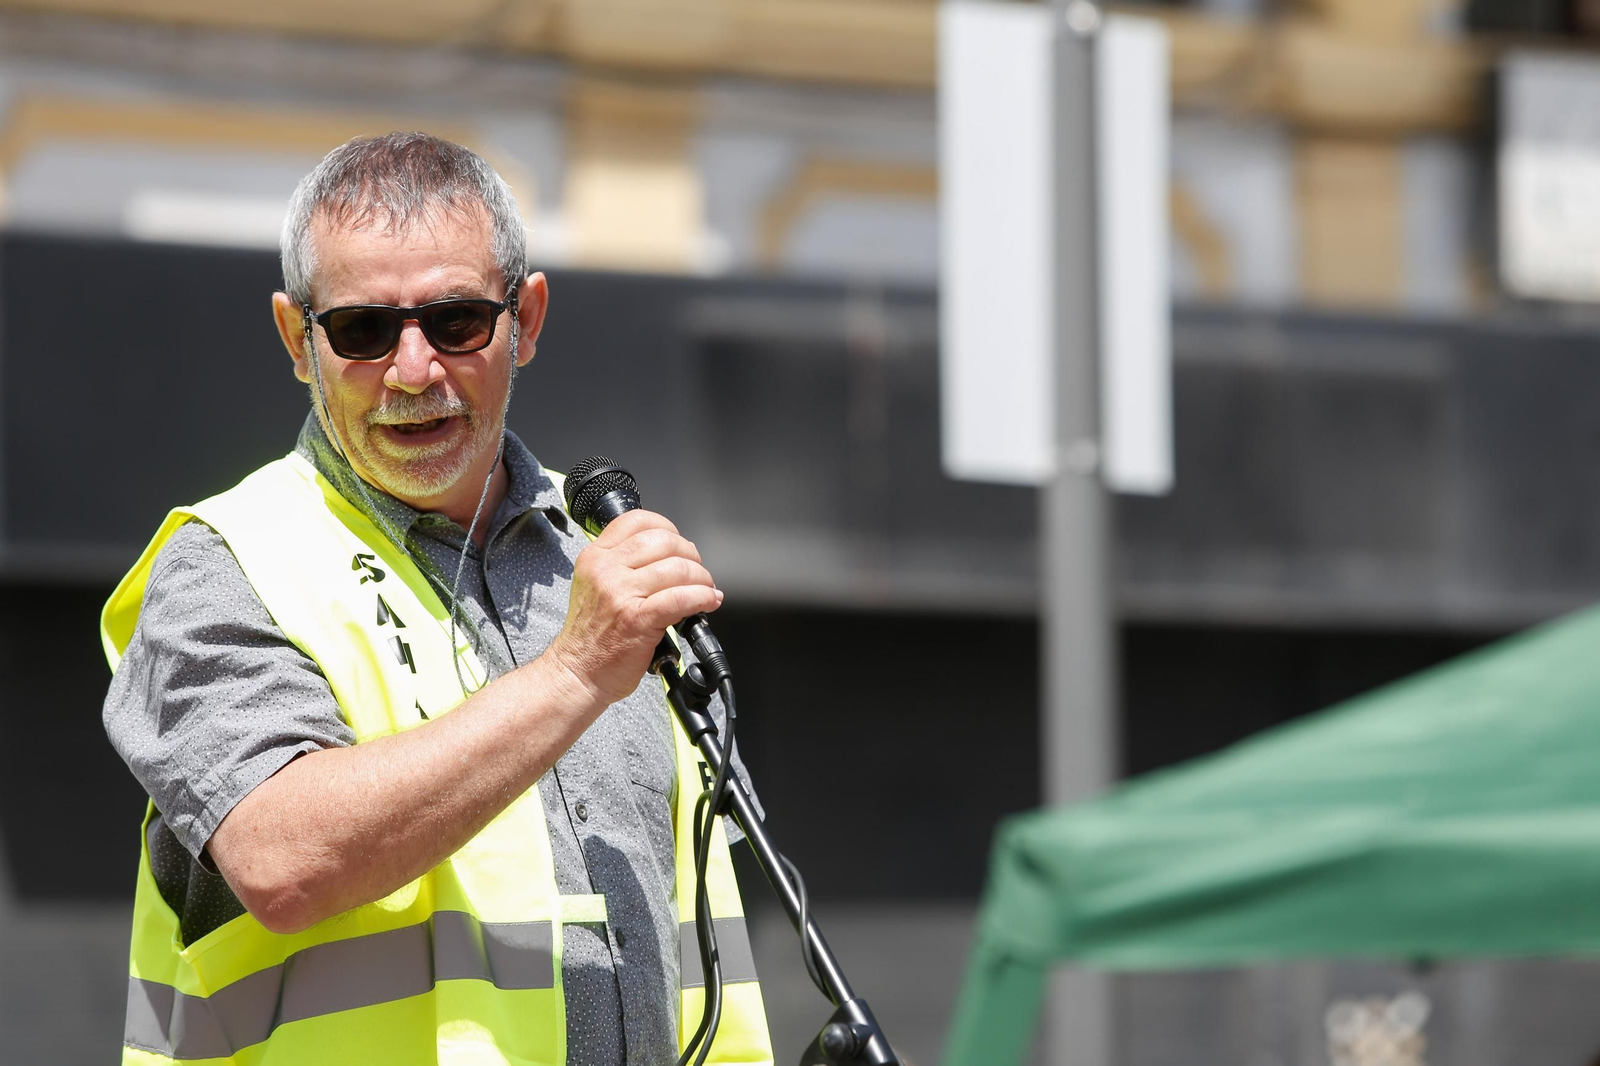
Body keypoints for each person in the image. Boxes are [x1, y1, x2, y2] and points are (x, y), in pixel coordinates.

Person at [101, 132, 773, 1066]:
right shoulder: (227, 562)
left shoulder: (602, 567)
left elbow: (706, 951)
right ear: (298, 340)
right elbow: (283, 863)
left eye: (456, 321)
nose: (413, 370)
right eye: (362, 330)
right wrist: (574, 672)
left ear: (525, 319)